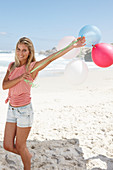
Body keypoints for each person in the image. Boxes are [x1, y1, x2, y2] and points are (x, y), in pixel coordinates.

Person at [2, 36, 86, 170]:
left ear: (30, 52)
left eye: (24, 50)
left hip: (24, 111)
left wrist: (71, 46)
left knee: (20, 146)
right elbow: (4, 86)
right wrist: (19, 78)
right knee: (7, 145)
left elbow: (52, 58)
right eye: (18, 49)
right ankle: (27, 156)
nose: (21, 53)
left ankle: (27, 165)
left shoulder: (32, 67)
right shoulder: (12, 66)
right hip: (11, 109)